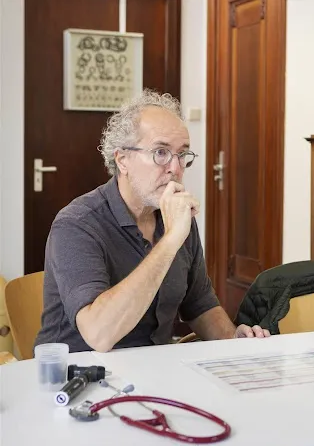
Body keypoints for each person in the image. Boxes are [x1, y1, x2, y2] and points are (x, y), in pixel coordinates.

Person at [35, 89, 269, 354]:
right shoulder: (77, 223)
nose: (176, 168)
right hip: (77, 378)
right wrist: (169, 242)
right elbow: (99, 335)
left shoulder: (177, 217)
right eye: (161, 152)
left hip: (153, 373)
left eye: (182, 155)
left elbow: (200, 303)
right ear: (123, 160)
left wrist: (232, 338)